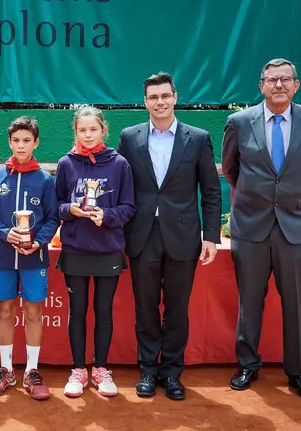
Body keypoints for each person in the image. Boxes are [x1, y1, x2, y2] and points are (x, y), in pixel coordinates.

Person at [222, 58, 301, 401]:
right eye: (271, 79)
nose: (278, 84)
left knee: (297, 303)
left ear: (296, 85)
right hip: (250, 226)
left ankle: (298, 372)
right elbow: (231, 169)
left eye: (285, 79)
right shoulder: (238, 122)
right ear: (261, 85)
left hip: (295, 228)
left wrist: (285, 197)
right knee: (249, 301)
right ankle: (248, 364)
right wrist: (259, 197)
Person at [118, 73, 222, 400]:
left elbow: (211, 190)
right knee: (146, 308)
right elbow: (120, 187)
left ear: (175, 97)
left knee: (177, 309)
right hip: (142, 235)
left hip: (184, 236)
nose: (159, 102)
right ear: (145, 101)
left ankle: (173, 373)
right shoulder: (129, 137)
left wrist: (211, 236)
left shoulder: (199, 137)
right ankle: (148, 371)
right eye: (153, 97)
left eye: (165, 95)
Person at [55, 105, 136, 398]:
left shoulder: (119, 164)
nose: (88, 135)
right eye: (82, 130)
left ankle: (101, 369)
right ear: (75, 131)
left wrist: (107, 216)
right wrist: (70, 210)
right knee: (77, 311)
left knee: (103, 311)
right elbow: (57, 205)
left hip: (109, 249)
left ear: (104, 130)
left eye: (93, 129)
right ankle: (78, 370)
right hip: (75, 248)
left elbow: (128, 207)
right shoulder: (67, 163)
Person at [0, 116, 60, 400]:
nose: (21, 145)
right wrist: (5, 233)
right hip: (3, 256)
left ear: (36, 142)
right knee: (4, 311)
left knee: (34, 312)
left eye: (27, 140)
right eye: (16, 140)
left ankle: (32, 371)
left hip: (34, 258)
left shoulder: (45, 180)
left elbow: (52, 218)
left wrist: (38, 241)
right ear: (9, 142)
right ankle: (6, 369)